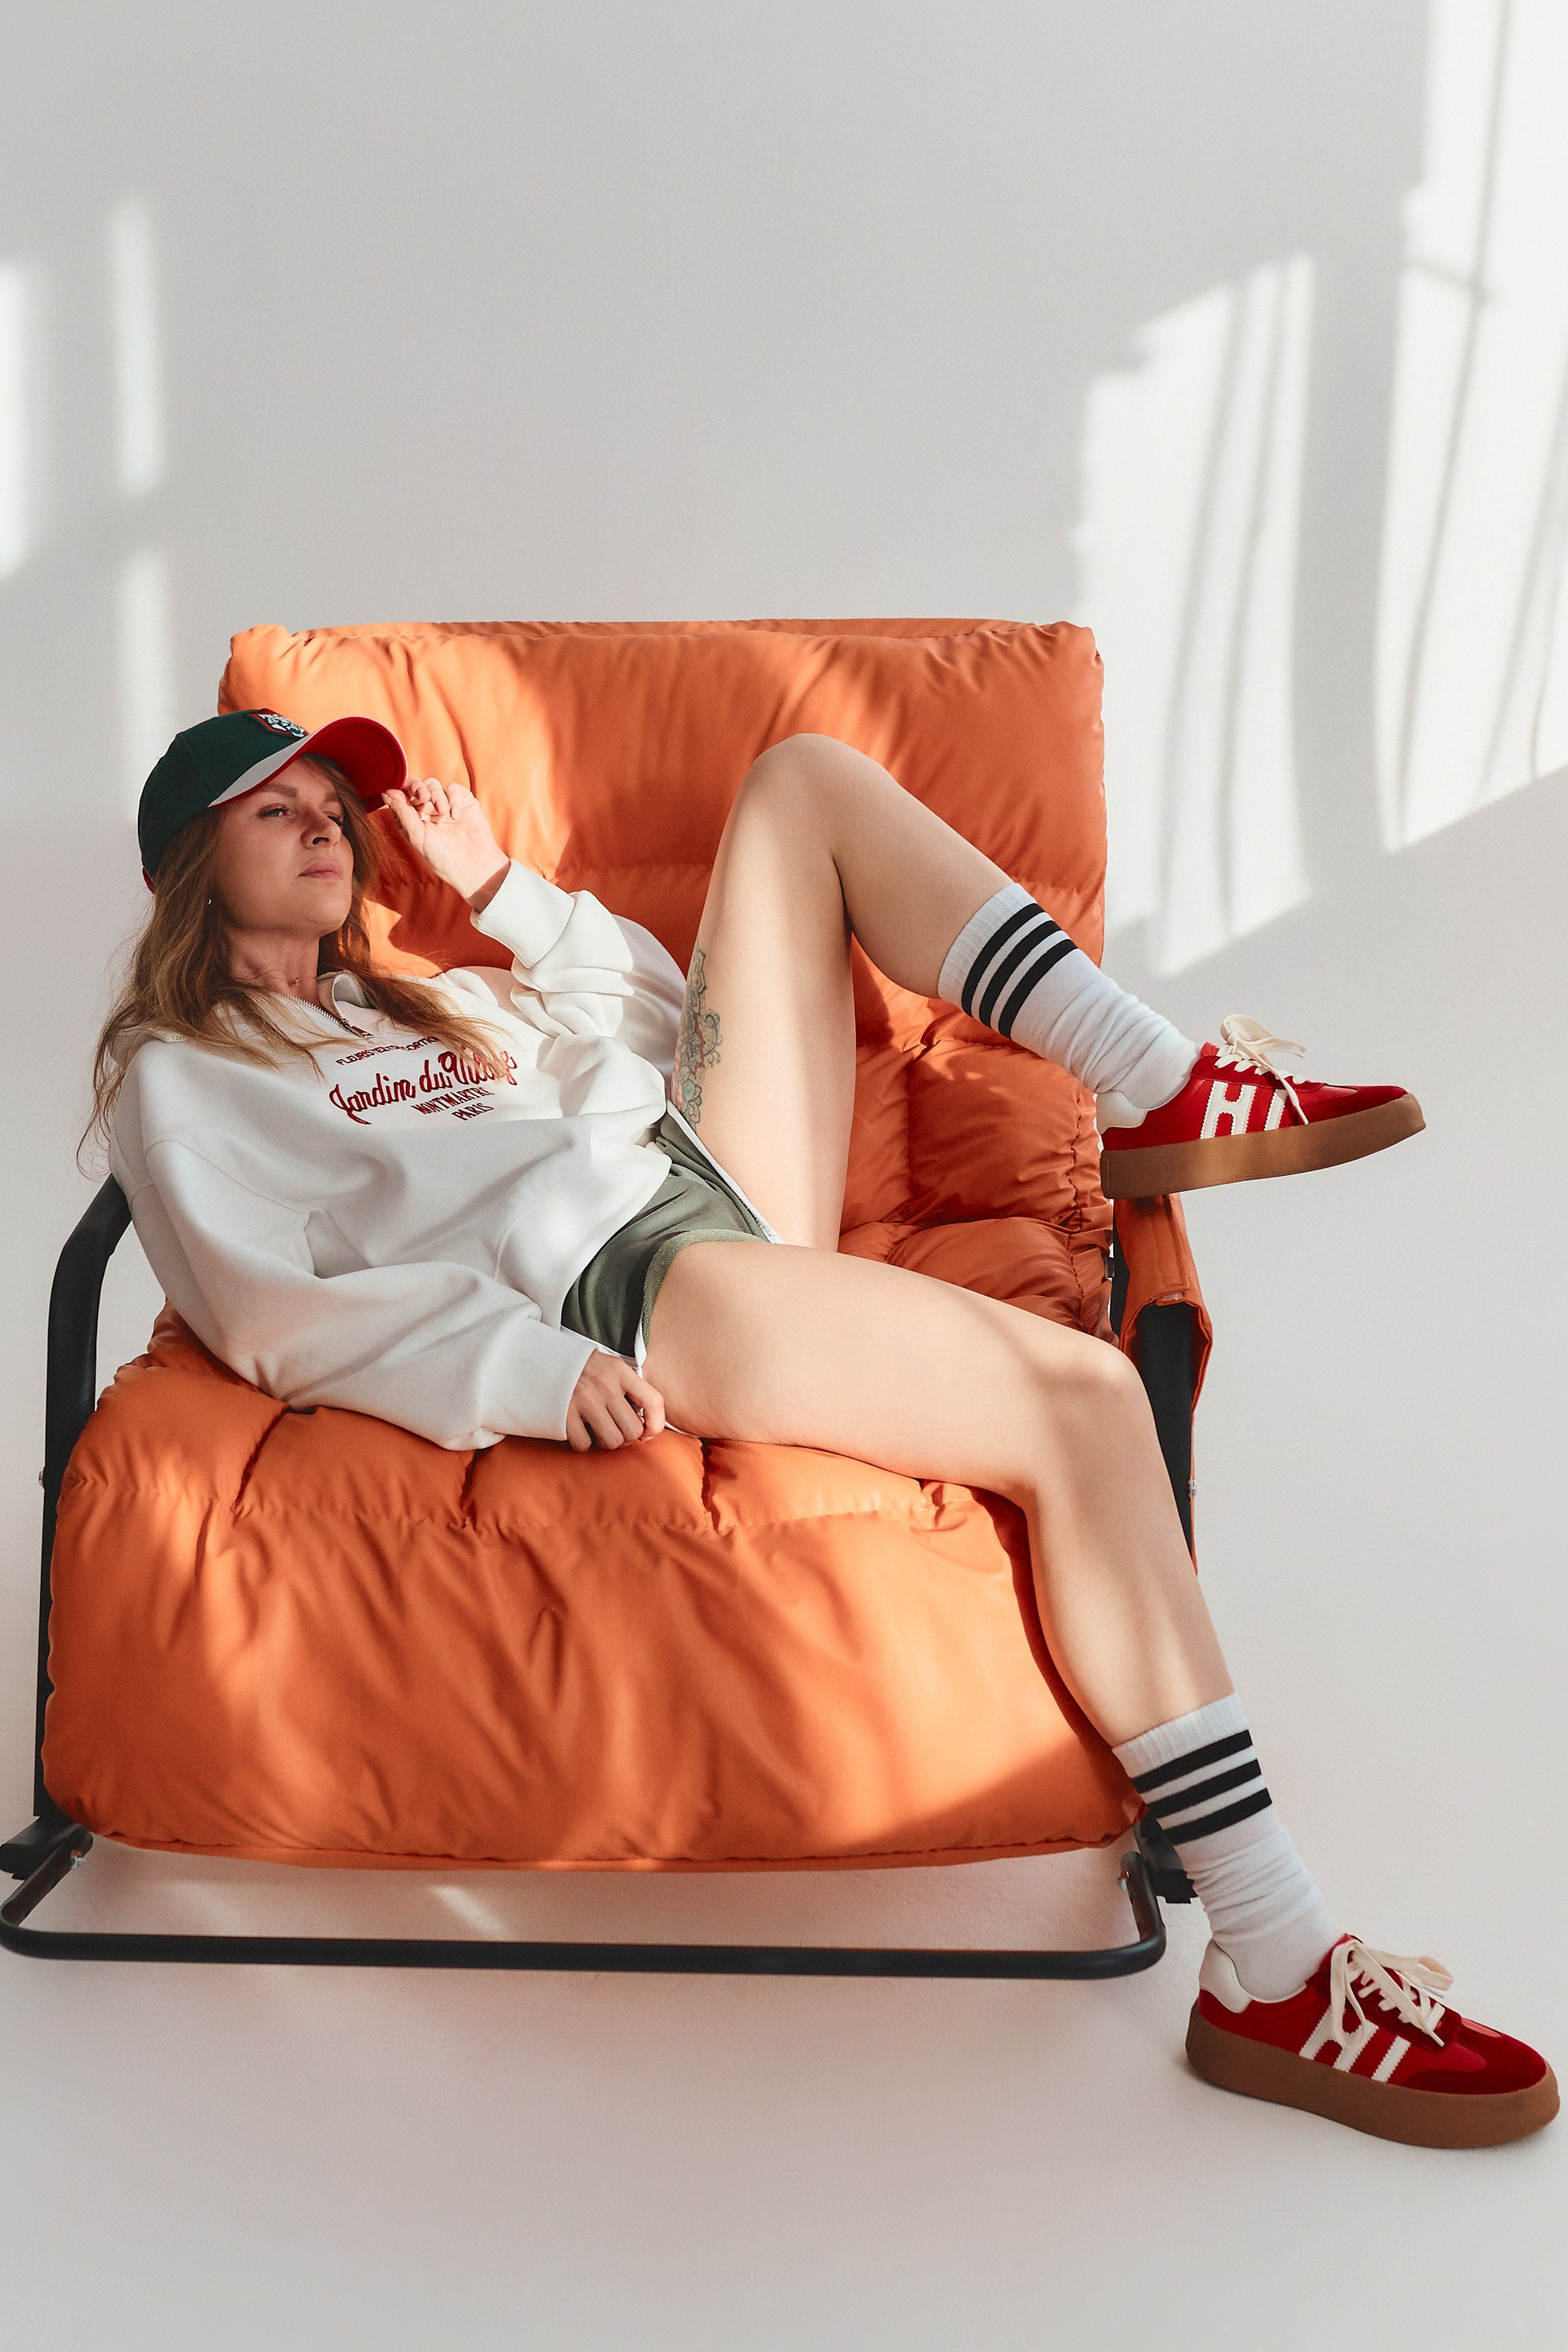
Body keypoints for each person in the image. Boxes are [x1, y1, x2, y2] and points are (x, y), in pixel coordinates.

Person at [95, 706, 1555, 2149]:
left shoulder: (417, 1000)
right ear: (189, 867)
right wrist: (525, 1370)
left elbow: (660, 1019)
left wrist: (501, 894)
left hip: (704, 1165)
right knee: (1087, 1398)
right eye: (278, 809)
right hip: (641, 1283)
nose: (327, 827)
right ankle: (1277, 1962)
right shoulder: (189, 1076)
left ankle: (1162, 1080)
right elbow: (276, 1317)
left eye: (333, 806)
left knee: (803, 781)